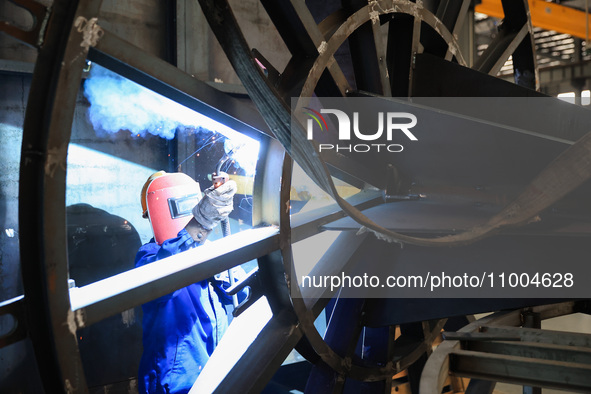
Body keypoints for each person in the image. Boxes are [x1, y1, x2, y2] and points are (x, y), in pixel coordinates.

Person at [135, 170, 242, 394]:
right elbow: (165, 274)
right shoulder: (149, 257)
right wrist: (198, 226)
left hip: (219, 375)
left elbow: (243, 292)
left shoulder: (209, 251)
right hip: (177, 385)